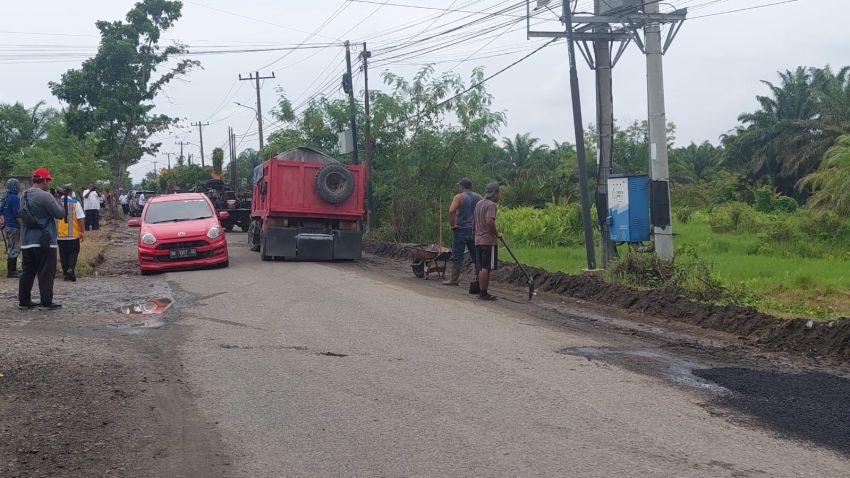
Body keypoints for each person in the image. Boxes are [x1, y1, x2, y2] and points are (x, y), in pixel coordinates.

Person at [18, 168, 65, 309]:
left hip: (27, 241)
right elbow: (60, 214)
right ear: (44, 180)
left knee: (27, 272)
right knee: (46, 272)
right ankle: (46, 301)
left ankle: (24, 300)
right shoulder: (46, 196)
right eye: (48, 180)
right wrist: (58, 199)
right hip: (45, 241)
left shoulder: (23, 196)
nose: (48, 183)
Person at [443, 177, 481, 286]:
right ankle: (478, 279)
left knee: (457, 255)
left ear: (462, 186)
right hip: (473, 230)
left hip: (460, 230)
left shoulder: (459, 197)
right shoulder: (478, 197)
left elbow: (451, 210)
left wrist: (452, 224)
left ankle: (454, 279)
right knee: (476, 256)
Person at [473, 182, 501, 301]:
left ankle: (481, 291)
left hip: (478, 239)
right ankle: (483, 293)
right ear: (495, 193)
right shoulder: (491, 205)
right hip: (488, 241)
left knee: (481, 267)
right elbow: (490, 222)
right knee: (486, 267)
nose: (500, 195)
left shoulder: (479, 203)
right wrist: (497, 234)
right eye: (499, 193)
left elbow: (473, 222)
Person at [57, 186, 85, 281]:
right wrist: (82, 231)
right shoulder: (75, 203)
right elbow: (80, 218)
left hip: (59, 235)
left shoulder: (56, 202)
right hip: (73, 235)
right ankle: (70, 269)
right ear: (71, 193)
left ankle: (66, 273)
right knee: (73, 253)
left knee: (63, 254)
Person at [1, 178, 22, 278]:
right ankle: (12, 271)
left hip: (8, 226)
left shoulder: (5, 197)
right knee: (14, 248)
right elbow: (17, 215)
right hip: (14, 226)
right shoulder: (15, 199)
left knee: (10, 247)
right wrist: (23, 226)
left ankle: (12, 269)